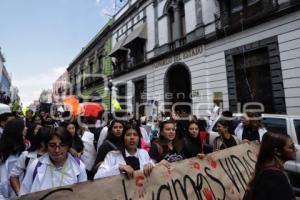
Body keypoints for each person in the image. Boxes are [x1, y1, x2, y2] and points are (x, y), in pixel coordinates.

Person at [19, 127, 87, 196]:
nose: (57, 150)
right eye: (52, 145)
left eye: (62, 145)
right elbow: (24, 194)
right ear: (46, 146)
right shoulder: (36, 166)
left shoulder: (78, 166)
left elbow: (83, 195)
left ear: (68, 146)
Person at [244, 133, 298, 200]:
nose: (295, 150)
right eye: (291, 147)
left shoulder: (267, 169)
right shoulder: (274, 176)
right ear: (277, 151)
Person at [9, 127, 49, 196]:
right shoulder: (27, 156)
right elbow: (13, 176)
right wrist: (20, 194)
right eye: (45, 141)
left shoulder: (56, 156)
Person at [0, 119, 26, 199]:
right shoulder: (11, 156)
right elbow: (4, 182)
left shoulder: (24, 150)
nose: (26, 128)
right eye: (24, 126)